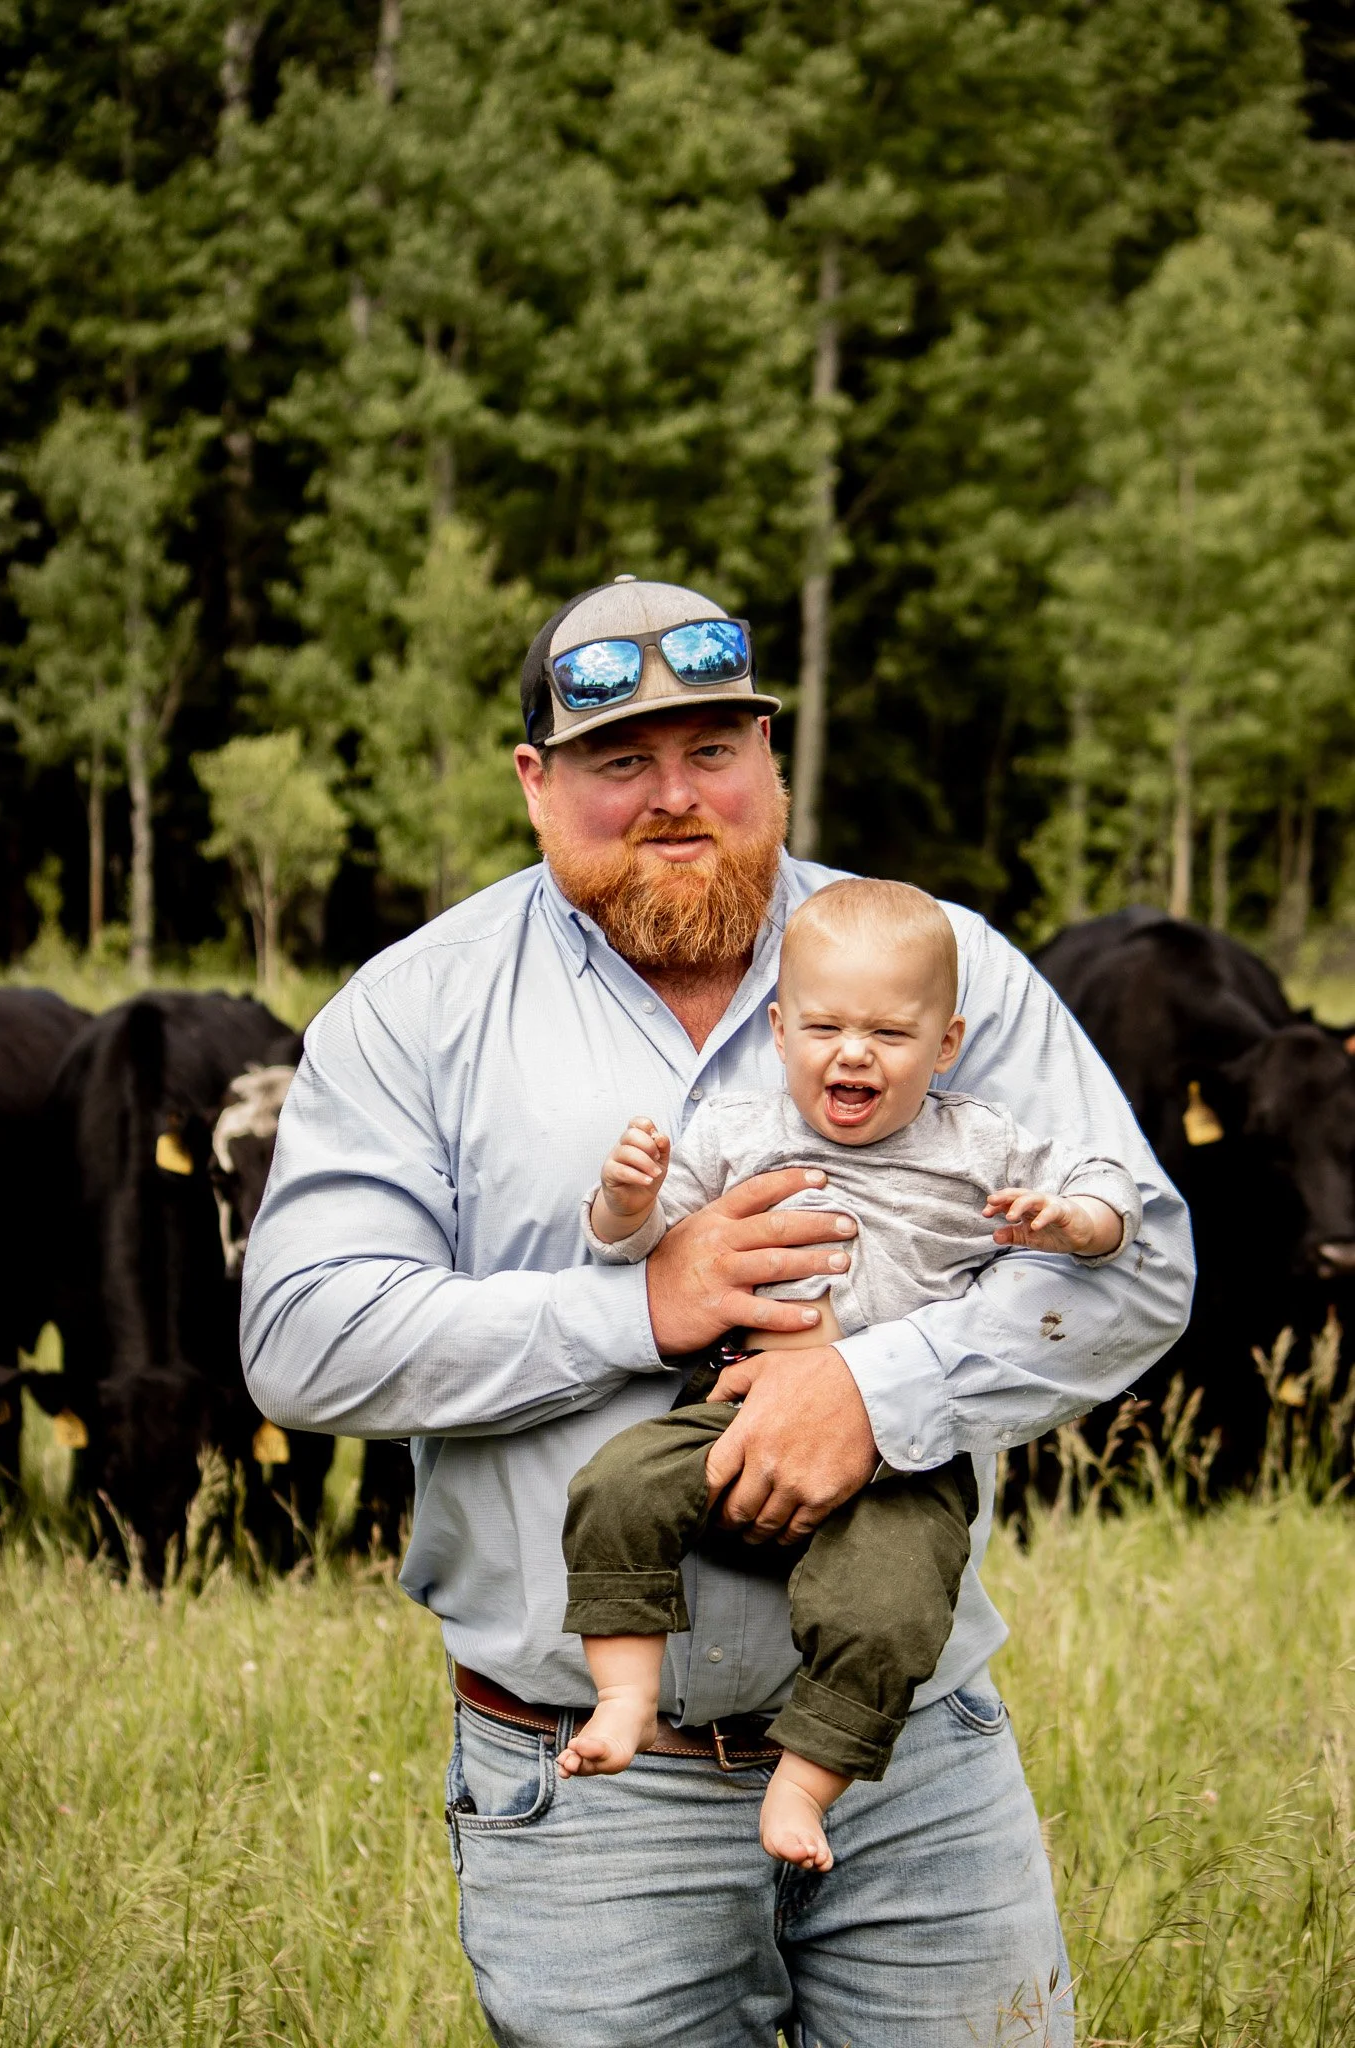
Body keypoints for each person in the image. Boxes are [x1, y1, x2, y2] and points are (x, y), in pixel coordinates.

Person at [242, 574, 1194, 2048]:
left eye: (712, 750)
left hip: (914, 1764)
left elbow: (1135, 1263)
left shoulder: (940, 968)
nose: (674, 796)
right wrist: (642, 1306)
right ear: (536, 782)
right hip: (590, 1790)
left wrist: (877, 1392)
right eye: (621, 761)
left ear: (772, 756)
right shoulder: (410, 1009)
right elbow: (303, 1335)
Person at [558, 877, 1141, 1877]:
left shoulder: (979, 1140)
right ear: (781, 1028)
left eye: (890, 1031)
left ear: (946, 1043)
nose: (853, 1051)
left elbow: (1109, 1181)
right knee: (615, 1484)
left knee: (897, 1600)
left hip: (905, 1450)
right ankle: (623, 1693)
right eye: (825, 1025)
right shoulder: (737, 1131)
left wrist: (1074, 1221)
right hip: (732, 1396)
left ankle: (810, 1773)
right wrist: (626, 1199)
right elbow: (634, 1246)